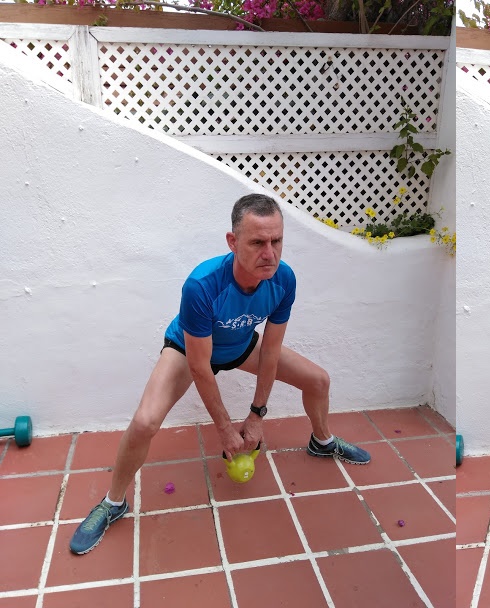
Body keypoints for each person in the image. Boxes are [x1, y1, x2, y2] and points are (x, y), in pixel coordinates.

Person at [70, 193, 371, 555]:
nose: (270, 253)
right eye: (257, 243)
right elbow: (200, 366)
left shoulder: (284, 279)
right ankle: (113, 502)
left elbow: (271, 350)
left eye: (276, 241)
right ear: (233, 242)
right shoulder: (202, 284)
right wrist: (226, 430)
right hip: (188, 349)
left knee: (318, 380)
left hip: (240, 345)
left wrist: (257, 415)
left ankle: (321, 442)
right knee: (145, 421)